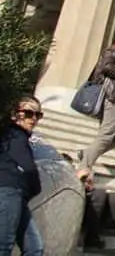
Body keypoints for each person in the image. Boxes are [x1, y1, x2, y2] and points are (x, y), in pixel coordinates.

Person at [77, 34, 115, 179]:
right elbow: (106, 68)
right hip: (111, 97)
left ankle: (87, 153)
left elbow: (113, 76)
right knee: (107, 134)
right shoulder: (111, 53)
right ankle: (84, 166)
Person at [0, 95, 44, 256]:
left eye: (38, 115)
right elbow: (29, 168)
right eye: (28, 113)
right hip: (9, 191)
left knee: (34, 247)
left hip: (16, 194)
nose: (33, 119)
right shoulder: (15, 134)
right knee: (4, 245)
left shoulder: (18, 136)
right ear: (14, 115)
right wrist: (35, 187)